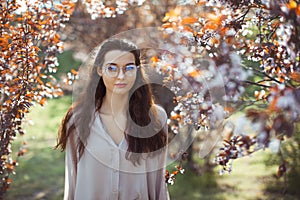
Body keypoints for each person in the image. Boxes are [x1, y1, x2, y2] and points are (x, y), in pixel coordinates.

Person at [56, 38, 170, 200]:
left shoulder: (156, 118)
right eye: (112, 68)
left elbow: (158, 185)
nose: (121, 76)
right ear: (100, 70)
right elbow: (72, 182)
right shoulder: (77, 119)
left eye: (129, 68)